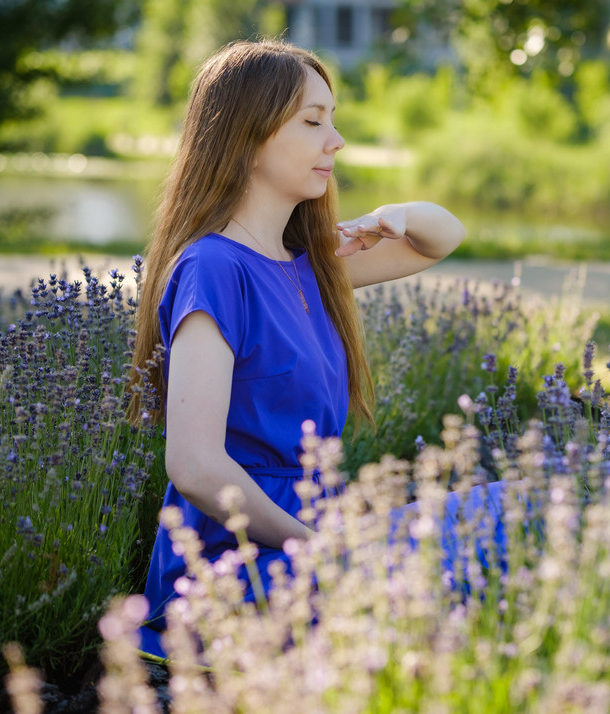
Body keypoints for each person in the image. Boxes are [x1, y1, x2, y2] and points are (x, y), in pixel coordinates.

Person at [128, 39, 469, 659]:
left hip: (317, 535)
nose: (335, 140)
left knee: (498, 510)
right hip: (238, 563)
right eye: (313, 121)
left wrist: (392, 213)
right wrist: (321, 547)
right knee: (480, 553)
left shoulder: (308, 266)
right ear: (247, 137)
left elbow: (440, 238)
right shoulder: (214, 268)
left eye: (333, 119)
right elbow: (196, 466)